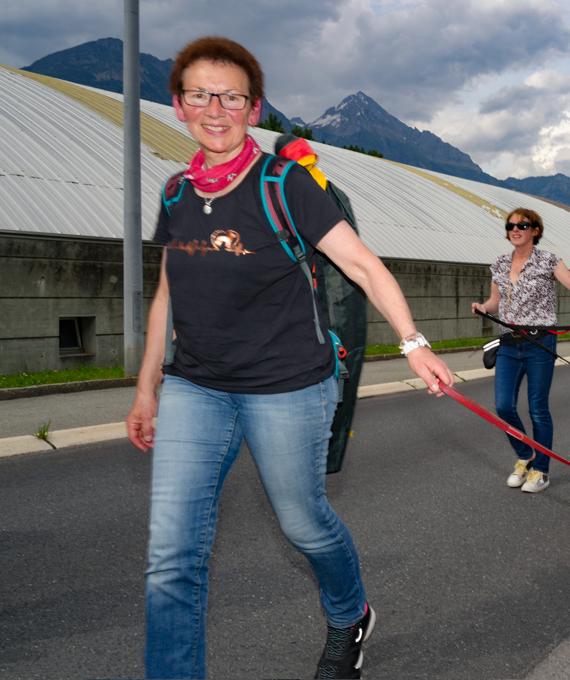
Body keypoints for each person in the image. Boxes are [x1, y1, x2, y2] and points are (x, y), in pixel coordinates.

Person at [125, 37, 455, 680]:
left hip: (288, 386)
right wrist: (147, 389)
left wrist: (412, 342)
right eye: (199, 94)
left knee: (303, 524)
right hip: (196, 385)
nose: (214, 108)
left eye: (231, 96)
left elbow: (361, 263)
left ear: (254, 108)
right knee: (171, 557)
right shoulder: (174, 193)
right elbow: (167, 291)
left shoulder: (286, 183)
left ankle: (348, 614)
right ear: (177, 103)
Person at [472, 208, 570, 494]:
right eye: (511, 225)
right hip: (509, 344)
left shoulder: (549, 260)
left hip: (540, 343)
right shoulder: (499, 264)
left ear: (535, 230)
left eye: (522, 225)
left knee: (538, 408)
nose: (515, 229)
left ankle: (542, 471)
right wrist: (484, 308)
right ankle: (526, 455)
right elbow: (495, 300)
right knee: (503, 406)